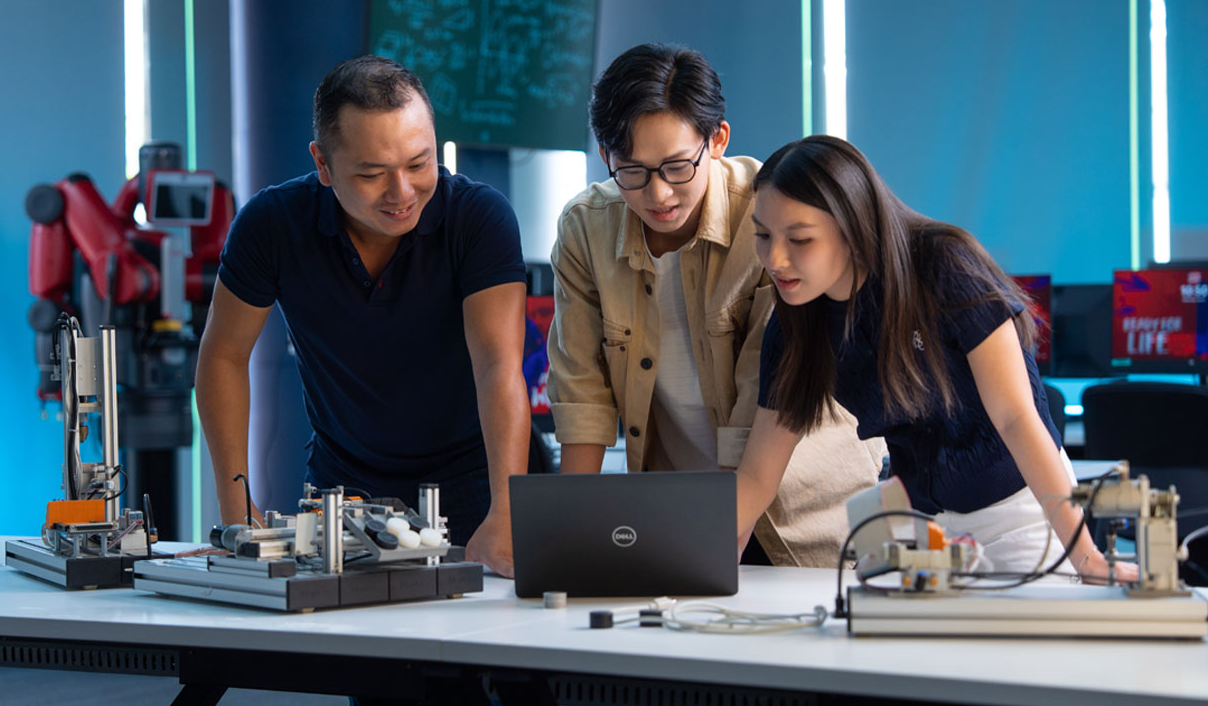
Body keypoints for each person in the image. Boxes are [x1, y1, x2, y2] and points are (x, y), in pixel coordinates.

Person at [737, 135, 1136, 581]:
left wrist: (1087, 559)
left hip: (1017, 509)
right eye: (763, 234)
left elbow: (1017, 420)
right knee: (876, 639)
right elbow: (756, 478)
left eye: (800, 239)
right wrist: (698, 572)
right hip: (917, 516)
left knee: (1026, 643)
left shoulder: (944, 265)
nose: (775, 258)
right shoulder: (795, 323)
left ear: (852, 229)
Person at [548, 43, 884, 567]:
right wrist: (567, 539)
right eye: (631, 171)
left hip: (807, 514)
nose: (658, 194)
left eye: (677, 167)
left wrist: (712, 540)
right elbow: (582, 395)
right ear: (604, 154)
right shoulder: (585, 230)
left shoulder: (769, 216)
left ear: (717, 140)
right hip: (681, 511)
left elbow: (759, 398)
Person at [196, 55, 529, 577]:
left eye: (419, 164)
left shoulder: (479, 218)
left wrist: (507, 514)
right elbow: (223, 356)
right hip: (341, 490)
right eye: (373, 174)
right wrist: (236, 511)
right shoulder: (272, 225)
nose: (402, 193)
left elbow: (498, 368)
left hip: (476, 486)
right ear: (323, 165)